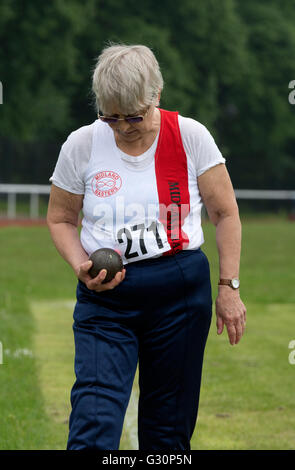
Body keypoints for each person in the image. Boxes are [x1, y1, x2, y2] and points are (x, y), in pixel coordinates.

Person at [47, 43, 246, 451]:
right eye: (111, 116)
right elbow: (61, 219)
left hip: (179, 295)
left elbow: (225, 214)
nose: (123, 126)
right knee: (93, 424)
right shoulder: (82, 144)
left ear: (157, 94)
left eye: (133, 116)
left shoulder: (191, 136)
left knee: (167, 435)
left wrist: (229, 286)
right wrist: (79, 264)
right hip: (105, 298)